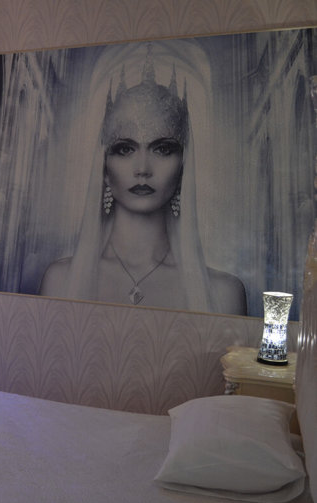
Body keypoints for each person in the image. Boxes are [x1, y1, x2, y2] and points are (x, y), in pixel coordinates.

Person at [40, 49, 247, 316]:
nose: (142, 169)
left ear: (184, 164)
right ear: (104, 165)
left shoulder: (223, 294)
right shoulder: (60, 281)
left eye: (162, 149)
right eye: (125, 149)